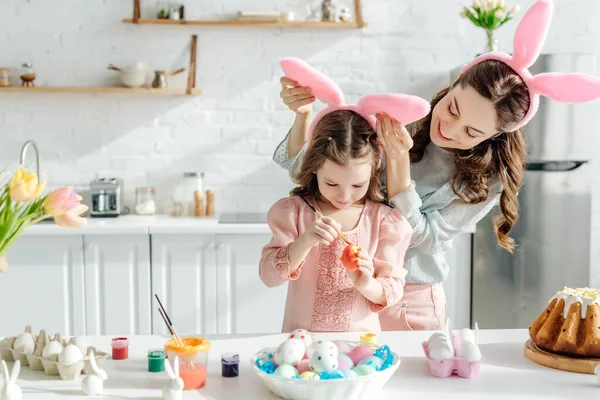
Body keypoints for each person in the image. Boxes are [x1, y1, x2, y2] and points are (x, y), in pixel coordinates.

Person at [272, 0, 600, 330]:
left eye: (472, 131)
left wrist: (399, 170)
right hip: (352, 294)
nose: (449, 129)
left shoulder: (486, 178)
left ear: (494, 136)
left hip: (410, 300)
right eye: (453, 108)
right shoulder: (402, 120)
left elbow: (425, 240)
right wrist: (302, 117)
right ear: (454, 84)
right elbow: (309, 171)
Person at [260, 58, 432, 331]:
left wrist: (366, 282)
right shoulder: (294, 212)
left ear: (374, 170)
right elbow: (269, 276)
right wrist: (305, 241)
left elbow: (392, 289)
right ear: (314, 167)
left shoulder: (385, 221)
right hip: (300, 347)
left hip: (361, 350)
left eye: (357, 186)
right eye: (332, 183)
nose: (343, 196)